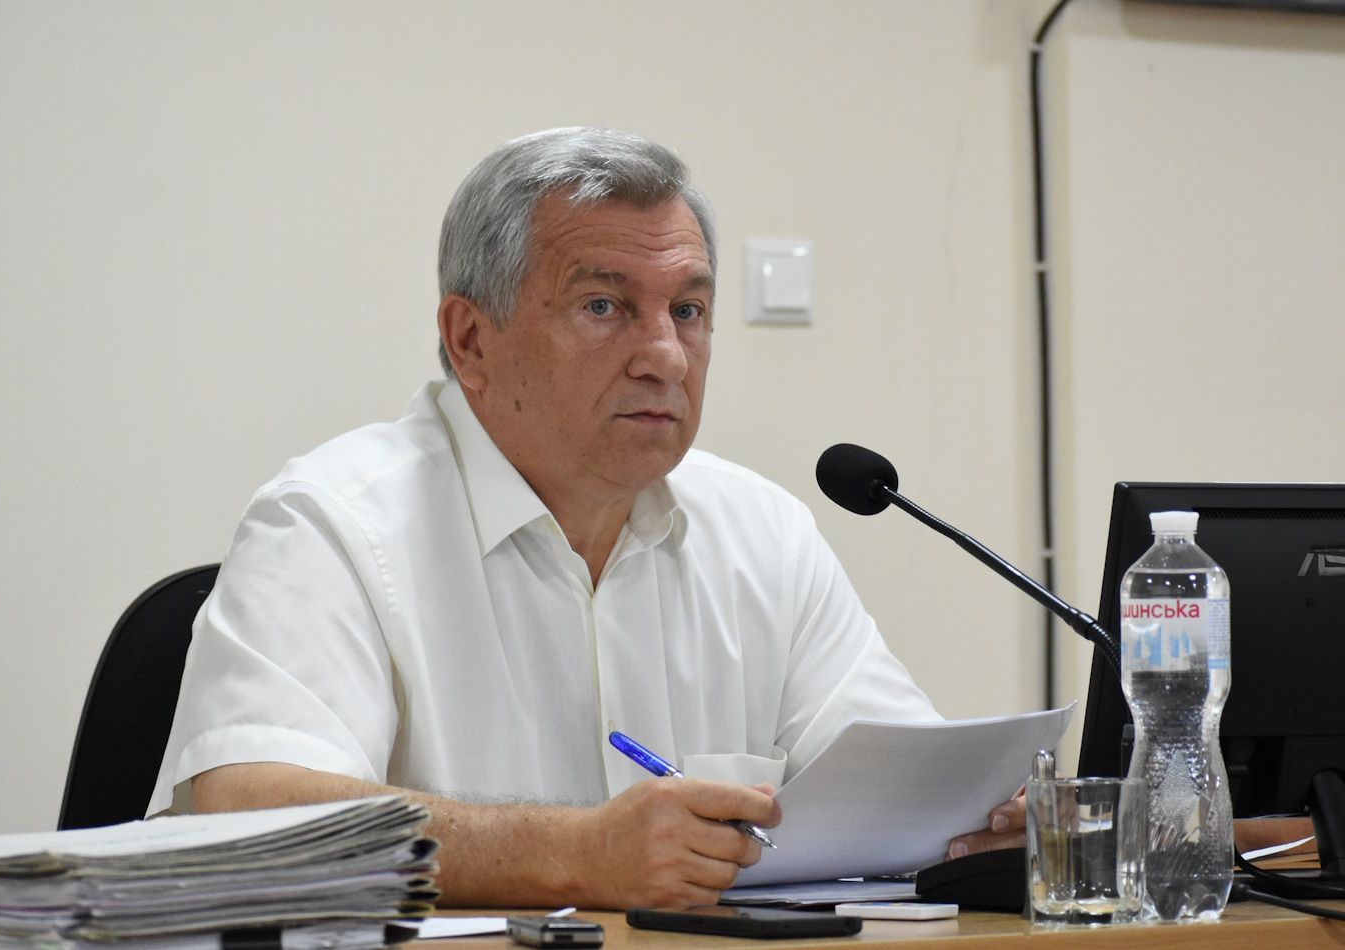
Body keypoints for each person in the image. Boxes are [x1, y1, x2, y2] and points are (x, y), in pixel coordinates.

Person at [148, 127, 1025, 909]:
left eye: (688, 310)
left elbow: (906, 785)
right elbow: (251, 814)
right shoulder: (331, 522)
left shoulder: (764, 532)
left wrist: (985, 823)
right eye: (604, 307)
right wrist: (576, 854)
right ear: (470, 340)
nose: (665, 356)